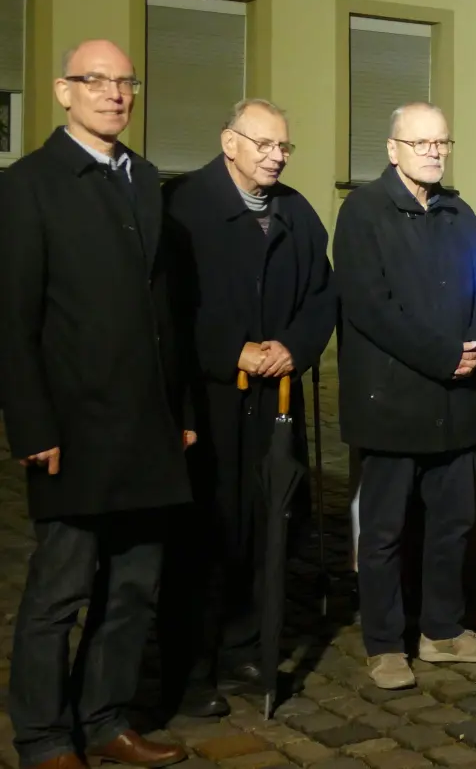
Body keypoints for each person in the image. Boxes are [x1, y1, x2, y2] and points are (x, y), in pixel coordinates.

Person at [0, 40, 194, 769]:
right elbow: (12, 319)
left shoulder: (144, 178)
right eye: (96, 80)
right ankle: (44, 737)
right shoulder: (29, 184)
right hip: (73, 427)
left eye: (125, 82)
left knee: (134, 587)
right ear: (63, 91)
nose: (114, 93)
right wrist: (30, 424)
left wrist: (181, 412)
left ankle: (106, 719)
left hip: (147, 425)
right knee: (60, 592)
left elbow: (166, 312)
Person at [159, 99, 336, 717]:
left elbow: (322, 295)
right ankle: (189, 668)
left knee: (266, 524)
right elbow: (169, 307)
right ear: (228, 141)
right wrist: (231, 349)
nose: (276, 156)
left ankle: (243, 646)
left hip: (275, 397)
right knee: (204, 533)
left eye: (283, 146)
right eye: (264, 144)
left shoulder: (296, 211)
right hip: (207, 399)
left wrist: (294, 347)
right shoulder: (182, 204)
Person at [334, 102, 476, 690]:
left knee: (452, 523)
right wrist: (443, 355)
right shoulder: (362, 211)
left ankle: (442, 631)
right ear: (393, 149)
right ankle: (385, 644)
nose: (434, 152)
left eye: (441, 143)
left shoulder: (458, 212)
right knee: (384, 532)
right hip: (392, 399)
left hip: (456, 401)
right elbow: (369, 306)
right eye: (421, 143)